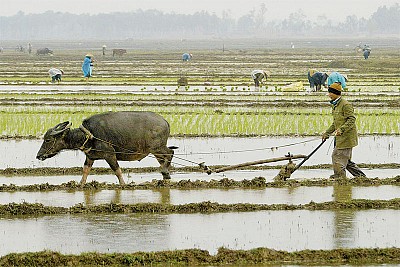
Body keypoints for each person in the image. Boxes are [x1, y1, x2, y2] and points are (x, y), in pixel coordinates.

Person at [322, 83, 366, 179]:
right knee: (346, 161)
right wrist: (327, 133)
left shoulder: (345, 105)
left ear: (335, 93)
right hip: (339, 138)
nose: (329, 95)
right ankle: (361, 177)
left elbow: (351, 119)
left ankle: (340, 179)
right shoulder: (335, 105)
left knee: (337, 157)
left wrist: (341, 130)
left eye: (330, 93)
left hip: (346, 137)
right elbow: (335, 123)